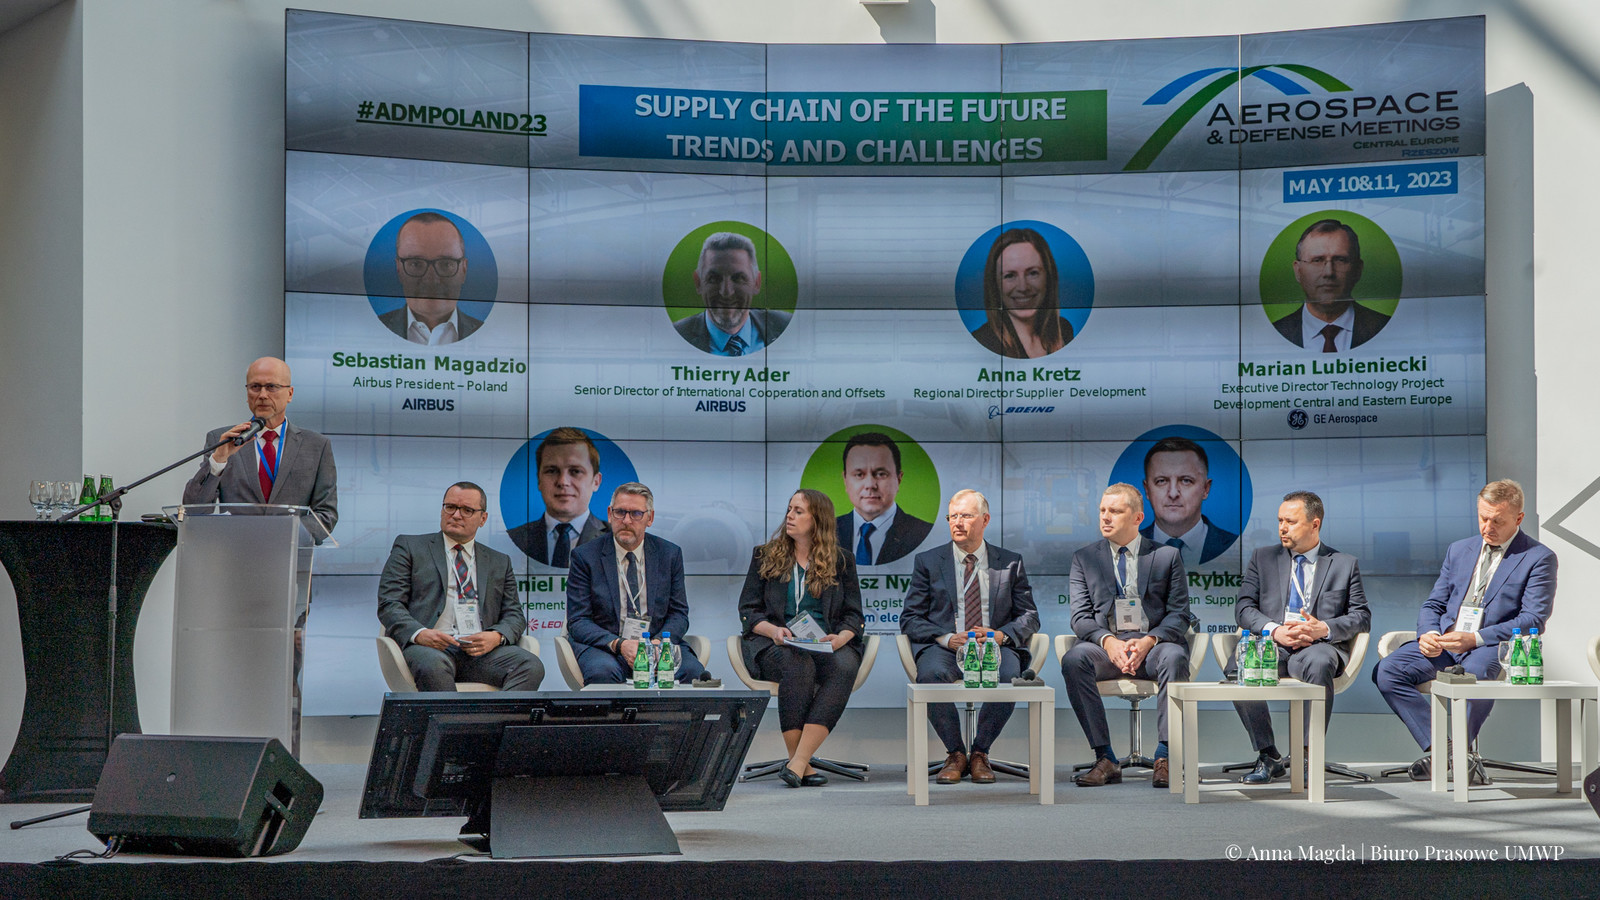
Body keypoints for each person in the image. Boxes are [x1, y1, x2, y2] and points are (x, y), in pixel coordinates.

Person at [1372, 480, 1556, 783]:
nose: (1487, 527)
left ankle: (1459, 751)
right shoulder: (1459, 550)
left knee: (1475, 676)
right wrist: (1427, 633)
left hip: (1489, 645)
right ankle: (1447, 750)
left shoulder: (1538, 557)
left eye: (1497, 521)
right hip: (1445, 642)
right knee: (1387, 671)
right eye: (1483, 518)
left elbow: (1533, 618)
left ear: (1519, 518)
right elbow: (1433, 604)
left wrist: (1475, 638)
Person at [1228, 491, 1370, 784]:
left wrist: (1323, 628)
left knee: (1320, 662)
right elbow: (1243, 608)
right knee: (1238, 667)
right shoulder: (1263, 558)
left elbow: (1361, 616)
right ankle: (1269, 754)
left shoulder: (1343, 564)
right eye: (1280, 520)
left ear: (1315, 524)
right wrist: (1274, 630)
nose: (1282, 527)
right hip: (1274, 645)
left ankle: (1308, 754)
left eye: (1290, 522)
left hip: (1317, 648)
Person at [900, 490, 1039, 785]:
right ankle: (955, 753)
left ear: (985, 520)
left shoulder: (1010, 562)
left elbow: (1030, 616)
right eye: (953, 516)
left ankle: (980, 753)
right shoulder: (928, 561)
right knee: (931, 676)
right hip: (947, 647)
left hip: (993, 646)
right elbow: (910, 618)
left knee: (1009, 676)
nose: (957, 522)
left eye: (966, 515)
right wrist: (946, 638)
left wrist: (1001, 635)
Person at [1063, 483, 1192, 788]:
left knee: (1174, 656)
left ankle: (1165, 756)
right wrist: (1109, 642)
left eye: (1115, 511)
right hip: (1106, 647)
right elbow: (1080, 618)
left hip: (1153, 646)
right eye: (1102, 510)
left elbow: (1179, 614)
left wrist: (1148, 641)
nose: (1105, 517)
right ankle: (1105, 757)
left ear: (1137, 518)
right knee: (1074, 660)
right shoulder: (1084, 558)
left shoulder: (1166, 556)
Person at [737, 489, 865, 787]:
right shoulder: (765, 556)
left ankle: (797, 762)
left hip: (825, 643)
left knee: (845, 666)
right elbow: (748, 610)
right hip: (775, 644)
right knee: (798, 665)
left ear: (817, 520)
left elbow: (854, 614)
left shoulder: (842, 561)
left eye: (798, 511)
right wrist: (773, 631)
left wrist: (840, 639)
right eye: (789, 509)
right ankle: (800, 763)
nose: (789, 516)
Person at [376, 482, 544, 691]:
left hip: (480, 652)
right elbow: (389, 604)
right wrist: (420, 633)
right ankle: (455, 716)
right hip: (428, 647)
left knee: (530, 665)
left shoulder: (499, 561)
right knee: (434, 665)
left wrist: (495, 637)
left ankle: (497, 714)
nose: (456, 515)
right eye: (450, 507)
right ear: (442, 510)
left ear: (483, 518)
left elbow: (514, 615)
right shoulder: (410, 547)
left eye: (467, 510)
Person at [565, 482, 707, 684]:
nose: (626, 520)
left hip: (656, 644)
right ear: (610, 514)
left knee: (692, 671)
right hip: (606, 646)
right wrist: (620, 644)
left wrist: (658, 644)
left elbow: (679, 614)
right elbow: (578, 620)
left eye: (636, 514)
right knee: (603, 672)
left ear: (650, 518)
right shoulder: (585, 556)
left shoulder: (669, 554)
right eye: (620, 512)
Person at [182, 356, 338, 537]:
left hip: (289, 552)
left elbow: (326, 515)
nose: (262, 395)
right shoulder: (222, 440)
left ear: (290, 393)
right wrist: (218, 461)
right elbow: (194, 511)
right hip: (235, 551)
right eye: (255, 387)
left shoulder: (316, 446)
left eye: (271, 387)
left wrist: (278, 534)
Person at [1272, 218, 1390, 352]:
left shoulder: (1386, 327)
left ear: (1358, 269)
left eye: (1340, 260)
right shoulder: (1274, 332)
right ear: (1298, 271)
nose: (1329, 272)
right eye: (1317, 260)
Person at [673, 232, 791, 356]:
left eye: (738, 278)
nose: (726, 292)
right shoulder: (677, 336)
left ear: (757, 282)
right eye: (714, 279)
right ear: (698, 283)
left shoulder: (785, 325)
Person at [507, 427, 609, 566]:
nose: (563, 482)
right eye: (552, 471)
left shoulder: (615, 538)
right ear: (539, 480)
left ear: (596, 481)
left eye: (575, 471)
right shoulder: (512, 539)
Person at [379, 212, 483, 345]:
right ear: (398, 269)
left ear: (464, 269)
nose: (431, 280)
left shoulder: (491, 333)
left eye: (446, 264)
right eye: (416, 264)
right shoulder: (370, 328)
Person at [969, 228, 1074, 359]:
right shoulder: (982, 341)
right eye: (1009, 275)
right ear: (995, 284)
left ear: (1048, 277)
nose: (1023, 287)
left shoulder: (1064, 330)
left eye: (1033, 273)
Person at [834, 432, 933, 567]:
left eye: (881, 474)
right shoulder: (825, 532)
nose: (870, 485)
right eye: (859, 474)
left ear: (898, 479)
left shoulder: (923, 533)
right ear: (845, 480)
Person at [1139, 436, 1237, 568]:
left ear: (1205, 489)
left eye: (1186, 481)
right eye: (1161, 481)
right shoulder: (1127, 545)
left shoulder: (1237, 546)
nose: (1173, 493)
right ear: (1147, 490)